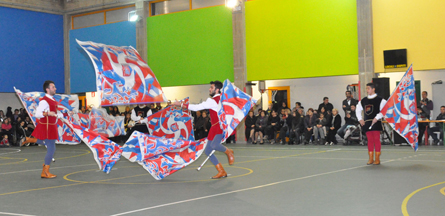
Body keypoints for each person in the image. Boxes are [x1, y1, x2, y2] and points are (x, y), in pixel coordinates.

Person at [173, 81, 234, 179]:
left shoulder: (214, 100)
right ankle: (221, 171)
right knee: (208, 151)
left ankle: (228, 151)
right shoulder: (222, 98)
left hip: (219, 126)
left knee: (214, 145)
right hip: (214, 127)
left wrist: (181, 104)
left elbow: (197, 107)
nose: (209, 89)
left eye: (211, 87)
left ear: (217, 89)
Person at [21, 80, 68, 178]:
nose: (55, 88)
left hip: (51, 126)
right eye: (53, 87)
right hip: (47, 126)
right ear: (47, 89)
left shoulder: (52, 100)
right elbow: (37, 114)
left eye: (54, 87)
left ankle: (29, 140)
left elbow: (55, 114)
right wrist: (47, 113)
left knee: (49, 145)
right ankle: (46, 171)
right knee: (51, 148)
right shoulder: (44, 101)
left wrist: (65, 114)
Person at [356, 83, 387, 165]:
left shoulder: (381, 100)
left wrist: (377, 117)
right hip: (367, 123)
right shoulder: (363, 101)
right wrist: (360, 119)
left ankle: (377, 158)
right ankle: (370, 158)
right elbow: (358, 110)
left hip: (376, 122)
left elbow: (384, 110)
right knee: (369, 140)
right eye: (366, 88)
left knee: (376, 139)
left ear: (373, 89)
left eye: (368, 88)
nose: (367, 90)